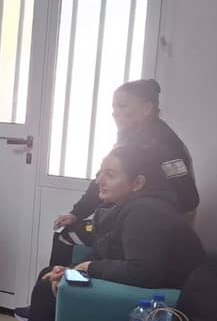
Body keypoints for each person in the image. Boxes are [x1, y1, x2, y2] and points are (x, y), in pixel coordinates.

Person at [15, 145, 205, 321]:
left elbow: (143, 272)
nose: (99, 180)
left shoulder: (146, 213)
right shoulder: (128, 207)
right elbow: (107, 250)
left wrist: (88, 268)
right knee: (50, 274)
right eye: (100, 173)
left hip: (162, 300)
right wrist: (70, 269)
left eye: (110, 175)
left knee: (46, 288)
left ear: (138, 183)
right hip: (145, 284)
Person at [44, 79, 198, 270]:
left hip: (147, 226)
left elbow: (188, 198)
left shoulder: (167, 145)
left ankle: (61, 283)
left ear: (147, 109)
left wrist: (148, 216)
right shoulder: (127, 136)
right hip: (124, 217)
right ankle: (58, 280)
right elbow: (102, 179)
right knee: (67, 231)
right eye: (114, 107)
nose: (114, 113)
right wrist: (77, 213)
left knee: (67, 236)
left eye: (122, 106)